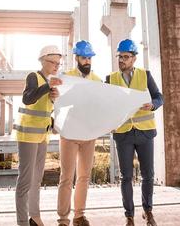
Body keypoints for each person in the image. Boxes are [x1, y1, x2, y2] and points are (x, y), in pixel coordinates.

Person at [106, 39, 163, 226]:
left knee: (148, 174)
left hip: (145, 132)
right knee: (126, 177)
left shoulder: (145, 75)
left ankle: (148, 211)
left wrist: (153, 105)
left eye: (126, 57)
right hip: (123, 134)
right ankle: (129, 215)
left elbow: (158, 97)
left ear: (134, 58)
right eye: (120, 57)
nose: (121, 60)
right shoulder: (110, 78)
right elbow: (103, 104)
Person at [14, 45, 63, 226]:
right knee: (25, 181)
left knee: (36, 179)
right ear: (43, 60)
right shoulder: (33, 76)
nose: (57, 66)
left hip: (42, 137)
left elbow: (44, 110)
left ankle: (34, 217)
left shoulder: (48, 81)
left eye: (59, 63)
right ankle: (22, 222)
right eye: (53, 62)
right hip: (28, 136)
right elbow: (28, 98)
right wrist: (47, 87)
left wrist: (53, 97)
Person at [57, 40, 101, 226]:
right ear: (77, 58)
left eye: (90, 58)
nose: (87, 61)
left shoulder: (98, 81)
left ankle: (79, 216)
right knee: (66, 177)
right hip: (69, 133)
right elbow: (59, 101)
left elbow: (101, 106)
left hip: (89, 134)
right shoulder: (66, 77)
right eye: (84, 57)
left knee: (84, 176)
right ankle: (63, 219)